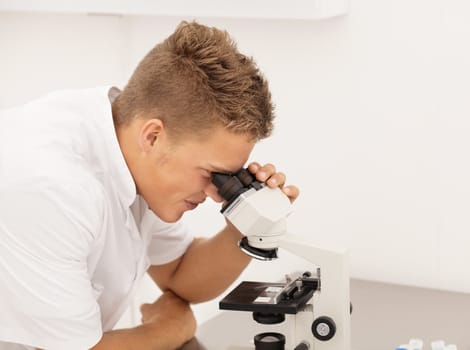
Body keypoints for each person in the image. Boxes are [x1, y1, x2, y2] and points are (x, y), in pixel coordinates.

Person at [0, 21, 299, 350]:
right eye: (212, 173)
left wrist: (246, 226)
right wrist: (170, 328)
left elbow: (180, 275)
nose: (215, 193)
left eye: (226, 179)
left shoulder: (127, 144)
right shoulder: (52, 188)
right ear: (153, 136)